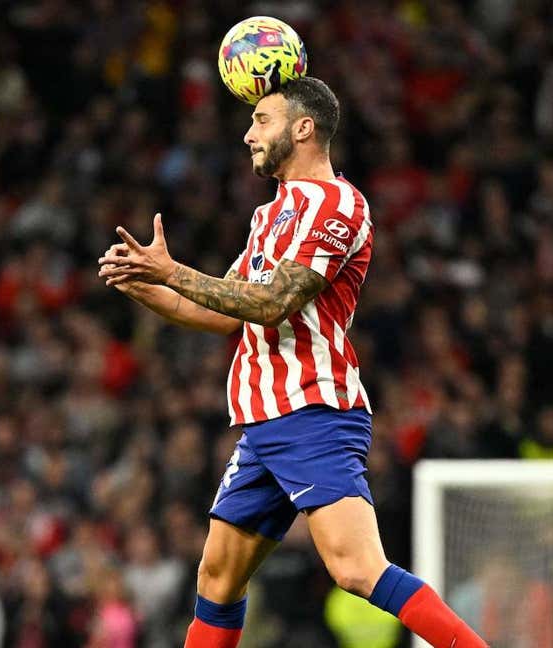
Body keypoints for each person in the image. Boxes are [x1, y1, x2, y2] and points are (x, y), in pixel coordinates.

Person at [97, 76, 486, 648]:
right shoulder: (267, 217)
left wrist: (172, 271)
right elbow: (226, 313)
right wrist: (143, 285)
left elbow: (276, 301)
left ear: (303, 128)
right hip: (264, 422)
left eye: (262, 120)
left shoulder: (340, 205)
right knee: (218, 577)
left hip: (313, 407)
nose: (248, 133)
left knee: (356, 568)